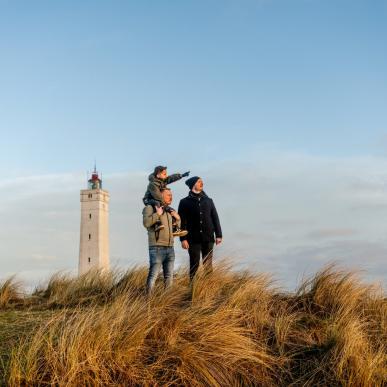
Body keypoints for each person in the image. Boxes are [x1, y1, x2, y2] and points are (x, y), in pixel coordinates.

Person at [178, 176, 222, 280]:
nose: (201, 183)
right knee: (194, 264)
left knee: (208, 265)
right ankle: (192, 287)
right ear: (193, 184)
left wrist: (219, 235)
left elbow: (215, 218)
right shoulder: (184, 202)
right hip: (192, 239)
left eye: (202, 181)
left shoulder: (208, 200)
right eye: (199, 182)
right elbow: (182, 222)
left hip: (208, 237)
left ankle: (208, 288)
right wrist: (183, 239)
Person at [143, 188, 181, 294]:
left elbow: (177, 229)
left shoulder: (169, 210)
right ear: (160, 195)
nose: (171, 197)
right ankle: (148, 302)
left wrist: (178, 219)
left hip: (170, 247)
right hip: (156, 247)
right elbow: (146, 223)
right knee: (153, 276)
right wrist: (158, 214)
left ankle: (167, 302)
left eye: (171, 194)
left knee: (169, 277)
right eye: (168, 194)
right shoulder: (150, 208)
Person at [143, 165, 189, 237]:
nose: (166, 175)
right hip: (149, 199)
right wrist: (165, 206)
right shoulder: (153, 184)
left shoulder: (163, 181)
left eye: (166, 173)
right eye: (164, 174)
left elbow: (171, 178)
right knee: (158, 204)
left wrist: (181, 175)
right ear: (158, 175)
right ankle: (157, 224)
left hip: (158, 199)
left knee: (171, 209)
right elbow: (157, 195)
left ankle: (174, 228)